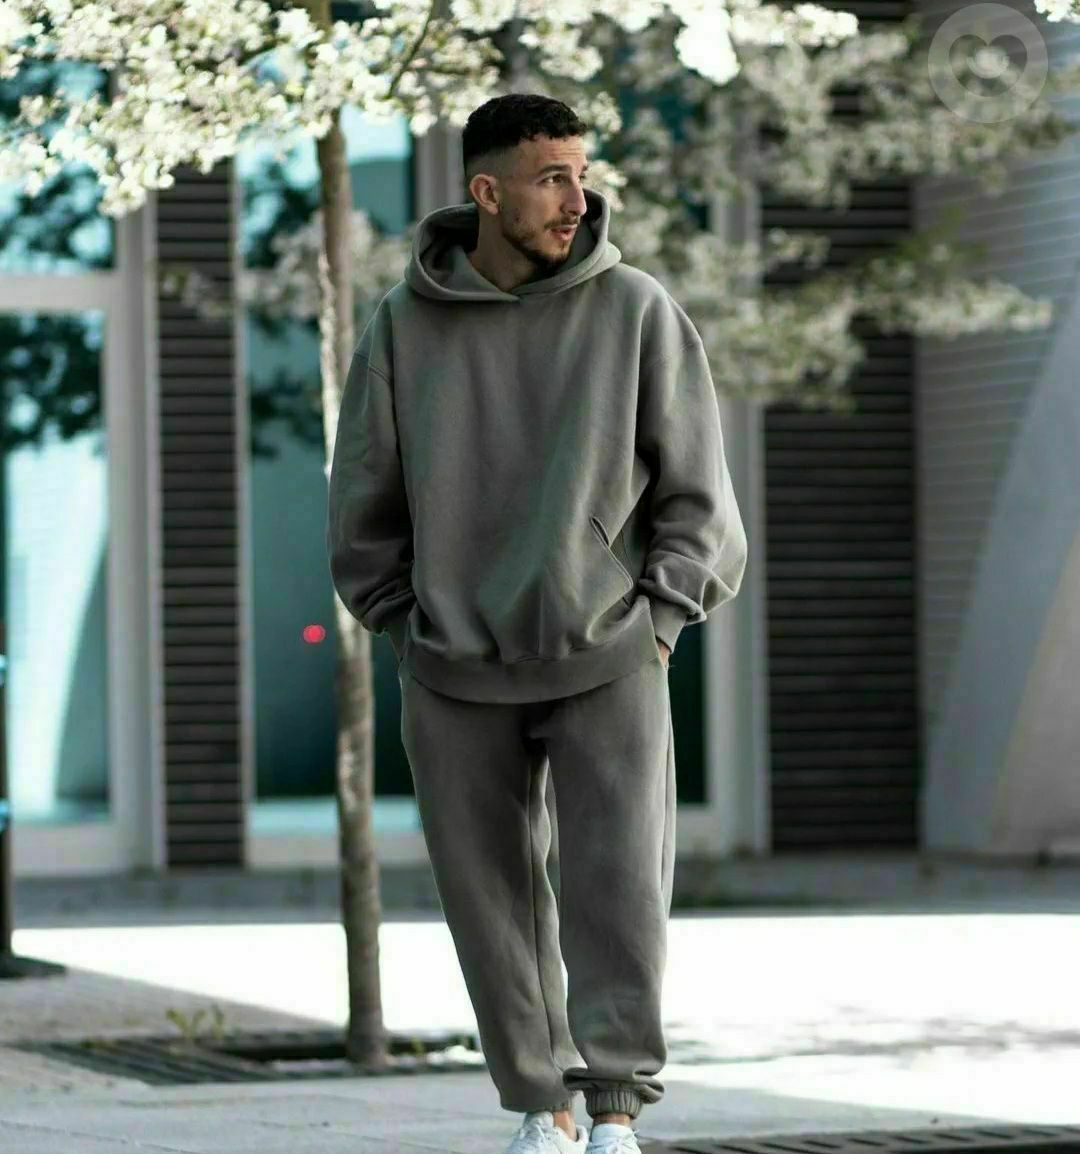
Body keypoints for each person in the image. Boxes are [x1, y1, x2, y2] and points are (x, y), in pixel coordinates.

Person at [326, 92, 748, 1154]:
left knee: (619, 890)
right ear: (486, 190)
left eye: (581, 174)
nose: (576, 198)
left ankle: (614, 1112)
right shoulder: (403, 324)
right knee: (489, 904)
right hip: (451, 662)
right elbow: (363, 497)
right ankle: (540, 1108)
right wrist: (403, 624)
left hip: (608, 650)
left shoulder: (636, 309)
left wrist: (658, 619)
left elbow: (700, 497)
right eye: (552, 177)